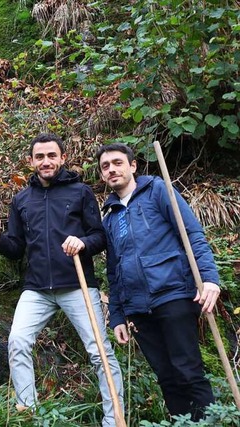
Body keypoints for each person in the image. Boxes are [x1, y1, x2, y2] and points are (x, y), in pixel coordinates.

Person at [0, 133, 124, 426]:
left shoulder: (80, 192)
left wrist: (82, 243)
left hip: (77, 284)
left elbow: (100, 237)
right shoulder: (22, 200)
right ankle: (29, 413)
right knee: (17, 342)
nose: (46, 162)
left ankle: (115, 420)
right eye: (40, 157)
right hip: (36, 289)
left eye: (51, 156)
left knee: (99, 352)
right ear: (31, 161)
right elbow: (16, 249)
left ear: (62, 158)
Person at [97, 143, 220, 421]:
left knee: (188, 371)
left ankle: (209, 423)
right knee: (165, 377)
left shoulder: (158, 191)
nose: (112, 169)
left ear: (132, 166)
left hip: (173, 294)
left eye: (117, 163)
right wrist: (117, 315)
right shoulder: (110, 217)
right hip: (138, 307)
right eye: (105, 166)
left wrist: (210, 278)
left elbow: (192, 235)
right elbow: (113, 270)